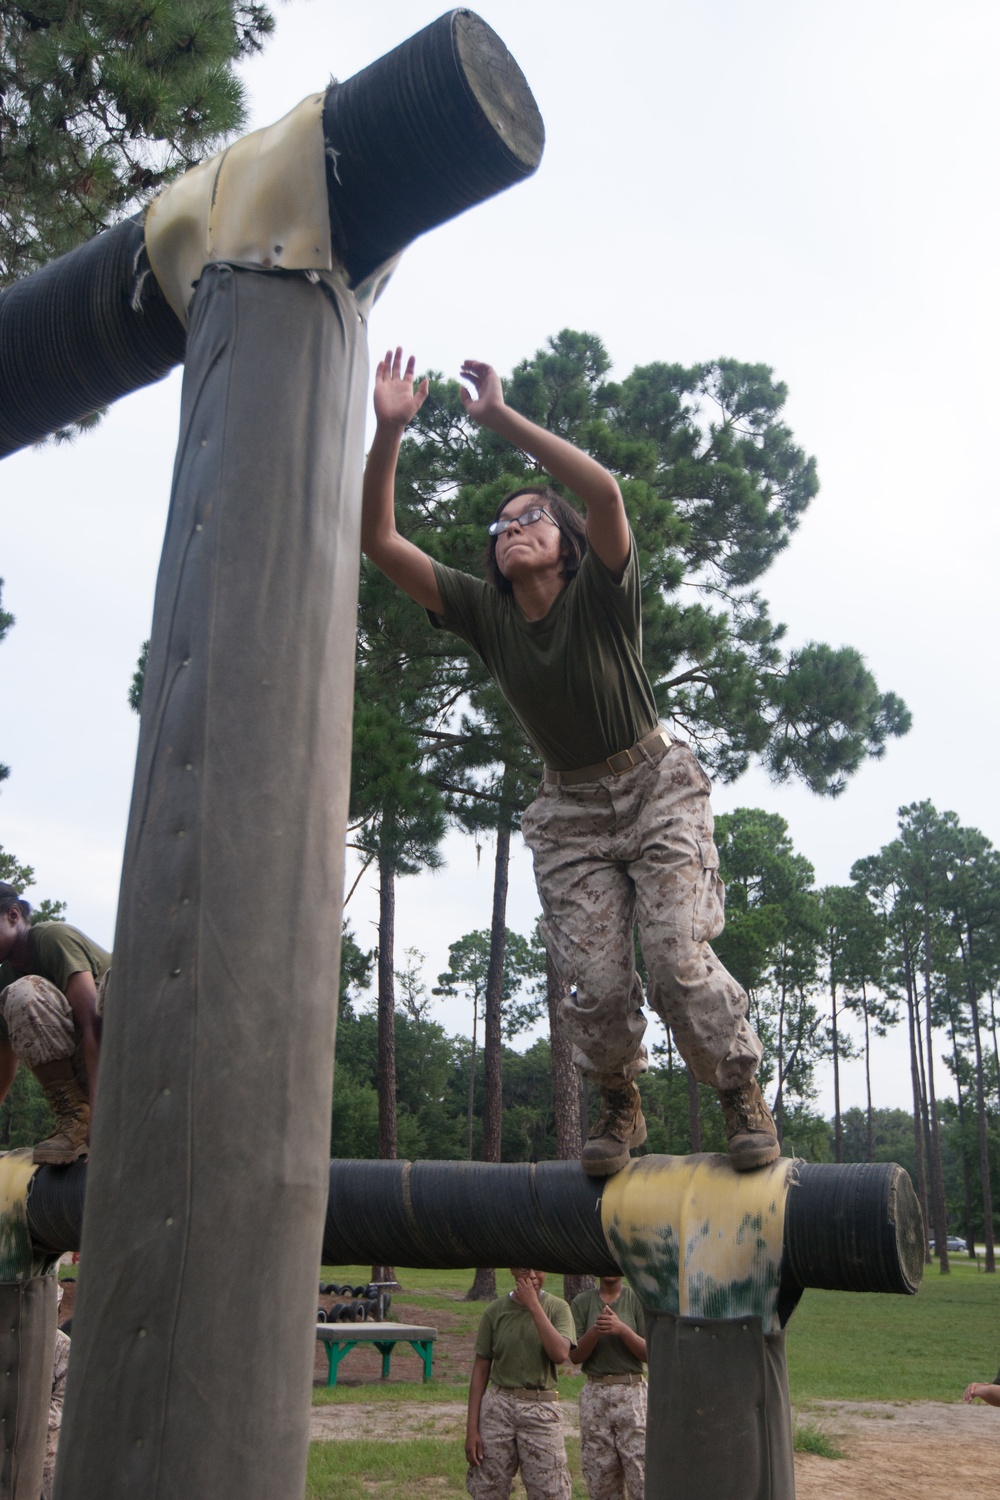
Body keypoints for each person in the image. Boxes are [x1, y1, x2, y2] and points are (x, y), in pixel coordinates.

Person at [361, 348, 779, 1176]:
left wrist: (500, 419)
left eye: (532, 520)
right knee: (595, 980)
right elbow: (378, 540)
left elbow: (605, 494)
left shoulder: (603, 594)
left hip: (656, 787)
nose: (513, 528)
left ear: (566, 546)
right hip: (572, 812)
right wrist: (387, 433)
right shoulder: (485, 612)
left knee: (674, 959)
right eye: (502, 525)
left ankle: (738, 1091)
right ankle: (621, 1102)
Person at [0, 883, 107, 1164]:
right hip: (88, 1072)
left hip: (124, 1060)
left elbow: (92, 1025)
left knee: (24, 991)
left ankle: (90, 1116)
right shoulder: (6, 979)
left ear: (13, 915)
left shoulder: (52, 938)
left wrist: (102, 1113)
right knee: (18, 992)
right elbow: (3, 1067)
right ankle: (75, 1118)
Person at [465, 1267, 574, 1500]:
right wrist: (472, 1429)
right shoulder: (495, 1311)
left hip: (540, 1409)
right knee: (487, 1489)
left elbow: (560, 1353)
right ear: (513, 1271)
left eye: (539, 1269)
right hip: (499, 1407)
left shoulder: (558, 1308)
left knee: (550, 1491)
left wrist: (534, 1305)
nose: (533, 1276)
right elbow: (481, 1368)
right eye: (525, 1269)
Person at [570, 1275, 647, 1500]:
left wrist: (621, 1329)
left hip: (631, 1393)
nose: (608, 1271)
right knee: (600, 1475)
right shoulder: (582, 1302)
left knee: (641, 1473)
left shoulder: (637, 1299)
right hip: (596, 1394)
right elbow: (574, 1356)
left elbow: (649, 1352)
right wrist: (595, 1331)